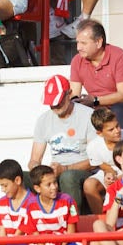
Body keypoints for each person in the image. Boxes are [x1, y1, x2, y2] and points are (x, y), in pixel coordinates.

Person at [28, 74, 93, 212]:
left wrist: (66, 168)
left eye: (58, 101)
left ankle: (73, 221)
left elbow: (96, 159)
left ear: (69, 94)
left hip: (83, 171)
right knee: (20, 176)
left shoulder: (88, 115)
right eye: (52, 103)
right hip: (55, 171)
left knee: (67, 177)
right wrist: (39, 171)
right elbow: (34, 159)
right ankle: (35, 223)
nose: (55, 106)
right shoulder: (43, 120)